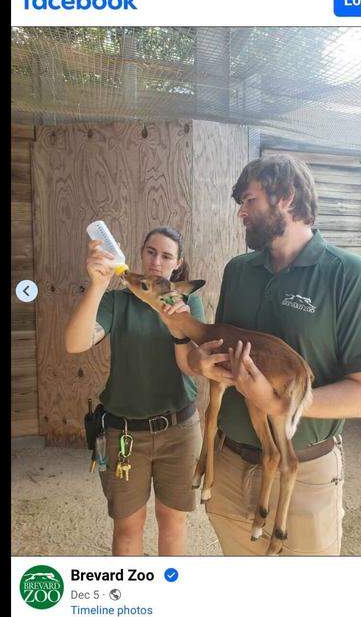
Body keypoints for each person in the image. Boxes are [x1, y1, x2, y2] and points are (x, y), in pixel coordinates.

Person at [185, 154, 361, 555]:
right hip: (230, 465)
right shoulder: (238, 271)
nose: (241, 213)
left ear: (286, 197)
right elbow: (221, 353)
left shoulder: (349, 274)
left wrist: (277, 402)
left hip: (304, 473)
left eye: (250, 201)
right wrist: (198, 362)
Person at [64, 226, 205, 555]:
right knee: (128, 526)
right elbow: (74, 343)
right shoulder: (117, 301)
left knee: (173, 520)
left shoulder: (187, 303)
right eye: (151, 252)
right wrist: (98, 286)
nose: (156, 261)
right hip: (126, 432)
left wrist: (180, 324)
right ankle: (132, 601)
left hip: (179, 428)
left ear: (177, 264)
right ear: (140, 254)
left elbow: (194, 365)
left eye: (166, 256)